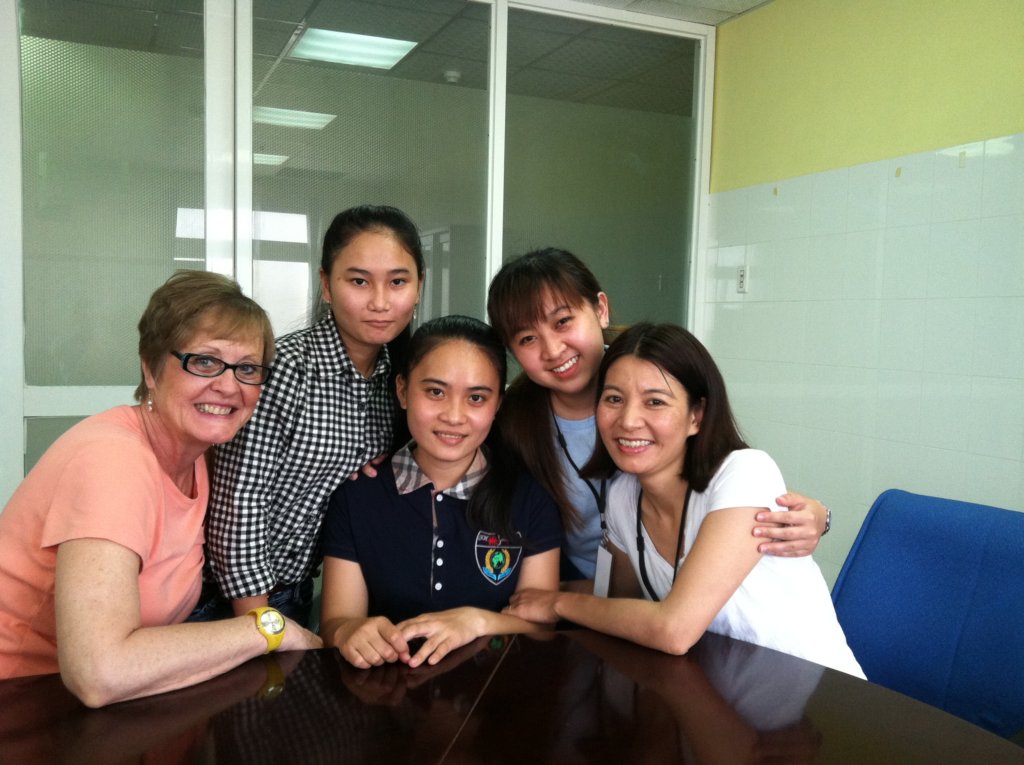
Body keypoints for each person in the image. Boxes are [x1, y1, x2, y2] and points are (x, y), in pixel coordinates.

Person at [0, 270, 321, 706]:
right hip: (26, 703)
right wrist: (269, 628)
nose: (229, 386)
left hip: (113, 706)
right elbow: (100, 673)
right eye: (204, 361)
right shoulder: (113, 460)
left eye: (247, 368)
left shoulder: (199, 454)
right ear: (150, 368)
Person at [506, 323, 864, 677]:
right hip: (720, 703)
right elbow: (617, 603)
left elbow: (674, 631)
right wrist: (530, 595)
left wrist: (555, 602)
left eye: (655, 402)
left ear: (697, 415)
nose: (628, 420)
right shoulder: (622, 496)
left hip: (818, 701)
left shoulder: (743, 473)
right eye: (614, 399)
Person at [487, 247, 830, 590]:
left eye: (563, 322)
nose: (552, 349)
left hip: (685, 592)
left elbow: (719, 470)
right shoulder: (513, 422)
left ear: (600, 309)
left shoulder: (656, 370)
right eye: (528, 338)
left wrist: (812, 514)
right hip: (580, 593)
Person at [204, 205, 425, 625]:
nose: (380, 302)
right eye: (358, 281)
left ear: (418, 288)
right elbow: (239, 505)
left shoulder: (396, 382)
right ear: (326, 284)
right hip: (232, 602)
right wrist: (260, 623)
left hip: (299, 592)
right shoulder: (285, 368)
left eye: (397, 281)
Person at [319, 316, 562, 669]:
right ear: (402, 390)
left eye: (477, 398)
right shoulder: (357, 496)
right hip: (386, 698)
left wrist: (478, 621)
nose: (454, 415)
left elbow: (542, 624)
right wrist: (350, 632)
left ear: (497, 405)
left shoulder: (529, 499)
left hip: (494, 702)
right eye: (435, 392)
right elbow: (336, 622)